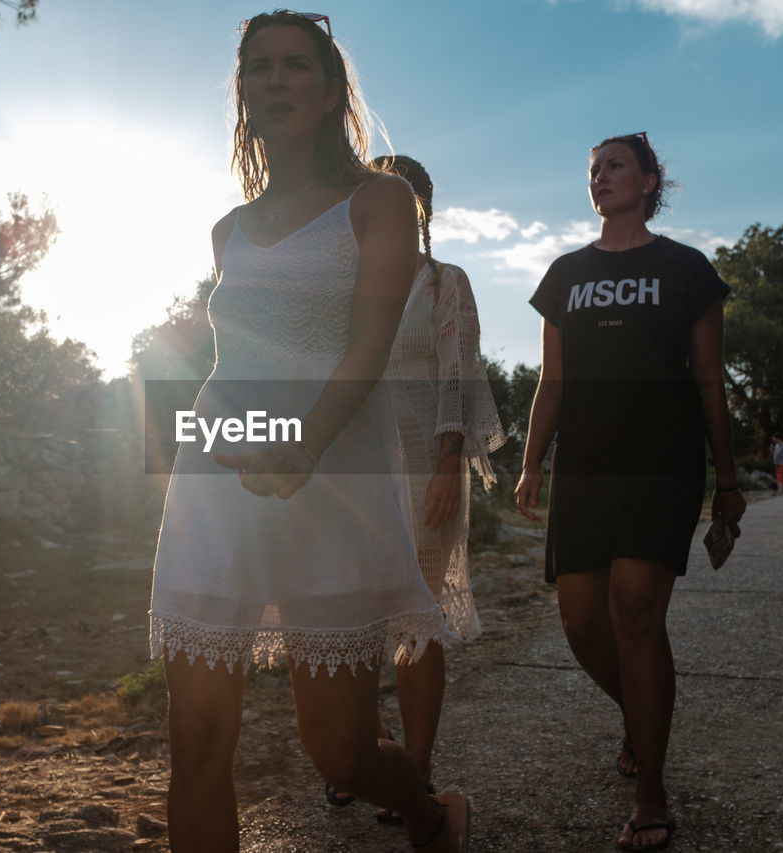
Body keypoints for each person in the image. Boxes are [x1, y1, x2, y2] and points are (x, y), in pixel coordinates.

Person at [148, 12, 469, 852]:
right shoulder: (228, 228)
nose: (275, 80)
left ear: (332, 94)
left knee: (339, 751)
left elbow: (368, 341)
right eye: (259, 68)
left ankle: (435, 817)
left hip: (332, 478)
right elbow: (225, 363)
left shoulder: (379, 200)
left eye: (297, 66)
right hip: (218, 478)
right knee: (196, 742)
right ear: (243, 95)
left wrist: (305, 439)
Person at [515, 132, 746, 852]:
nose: (601, 176)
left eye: (616, 165)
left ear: (651, 181)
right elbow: (551, 381)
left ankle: (651, 790)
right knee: (583, 623)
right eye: (593, 169)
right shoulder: (565, 274)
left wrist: (729, 477)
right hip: (585, 464)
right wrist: (531, 463)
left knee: (636, 611)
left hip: (662, 460)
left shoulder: (686, 269)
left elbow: (709, 380)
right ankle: (641, 718)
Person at [363, 153, 504, 822]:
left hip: (426, 469)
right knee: (355, 616)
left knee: (416, 619)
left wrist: (450, 459)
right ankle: (369, 758)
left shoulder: (443, 281)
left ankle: (415, 772)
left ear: (420, 208)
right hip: (356, 472)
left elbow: (458, 372)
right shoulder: (349, 284)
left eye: (398, 196)